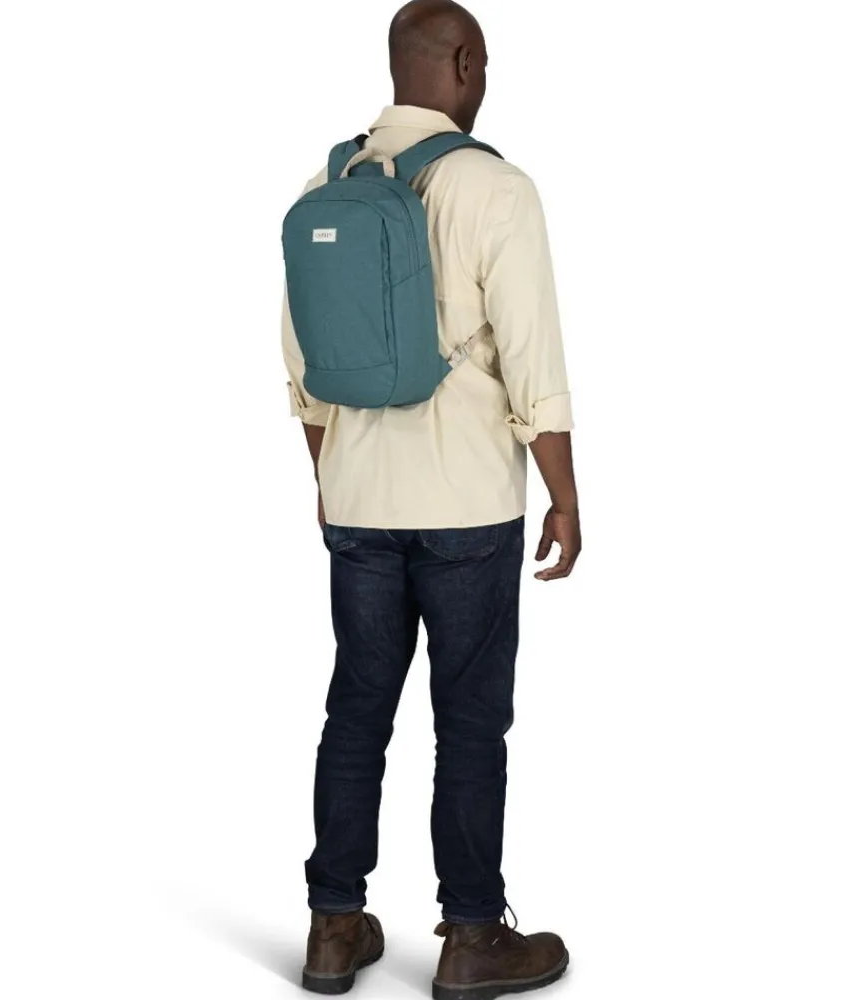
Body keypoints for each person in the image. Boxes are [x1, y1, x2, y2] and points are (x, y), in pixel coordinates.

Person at [282, 1, 580, 995]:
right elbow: (534, 359)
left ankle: (332, 927)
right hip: (466, 510)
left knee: (356, 710)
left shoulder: (326, 186)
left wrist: (329, 479)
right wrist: (565, 494)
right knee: (470, 725)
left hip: (358, 503)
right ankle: (471, 934)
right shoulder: (497, 188)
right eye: (480, 64)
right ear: (462, 63)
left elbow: (304, 366)